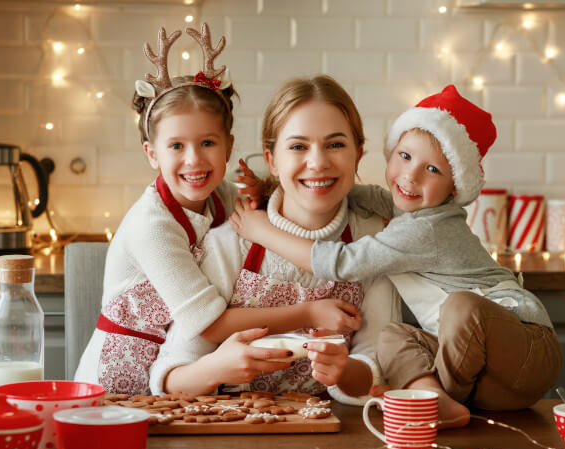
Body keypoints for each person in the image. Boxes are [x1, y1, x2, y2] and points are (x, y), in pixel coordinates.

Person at [230, 85, 562, 427]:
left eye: (432, 170)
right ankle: (435, 401)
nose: (410, 175)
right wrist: (275, 185)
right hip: (485, 377)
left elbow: (341, 262)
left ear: (454, 188)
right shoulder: (410, 208)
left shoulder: (426, 228)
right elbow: (341, 188)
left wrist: (263, 232)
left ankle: (430, 399)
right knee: (393, 337)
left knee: (463, 307)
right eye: (404, 156)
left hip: (523, 349)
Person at [74, 26, 361, 395]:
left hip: (175, 371)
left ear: (228, 148)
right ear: (151, 153)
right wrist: (308, 312)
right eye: (176, 145)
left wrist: (262, 190)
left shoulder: (218, 195)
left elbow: (284, 191)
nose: (194, 160)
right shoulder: (153, 226)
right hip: (116, 376)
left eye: (207, 142)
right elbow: (208, 325)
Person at [149, 75, 400, 402]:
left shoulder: (374, 243)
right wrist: (217, 368)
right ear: (272, 160)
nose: (318, 162)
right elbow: (170, 377)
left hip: (335, 442)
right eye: (298, 146)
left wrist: (343, 369)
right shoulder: (231, 244)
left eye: (335, 144)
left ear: (358, 154)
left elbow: (374, 368)